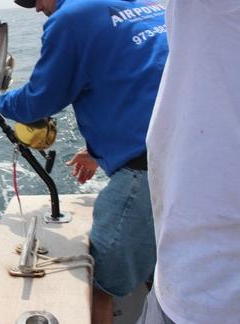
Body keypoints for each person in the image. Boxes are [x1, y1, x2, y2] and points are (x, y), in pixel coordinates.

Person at [0, 0, 168, 323]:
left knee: (96, 283)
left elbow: (39, 100)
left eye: (32, 0)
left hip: (149, 173)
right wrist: (96, 152)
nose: (34, 8)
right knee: (165, 268)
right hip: (196, 160)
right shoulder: (146, 3)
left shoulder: (70, 19)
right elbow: (142, 79)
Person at [137, 1, 240, 323]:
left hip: (206, 290)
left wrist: (1, 102)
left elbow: (45, 93)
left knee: (105, 263)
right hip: (201, 277)